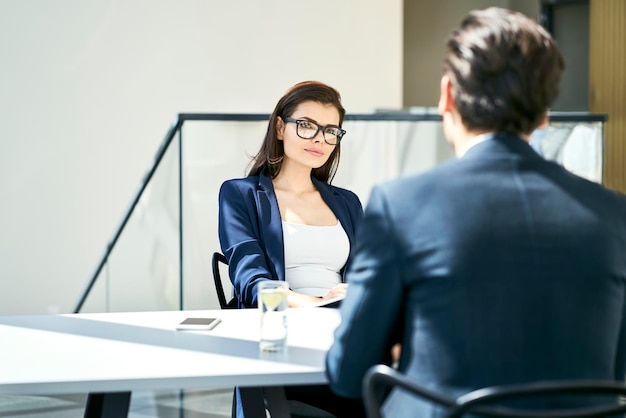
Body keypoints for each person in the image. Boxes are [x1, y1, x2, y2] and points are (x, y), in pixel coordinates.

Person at [326, 7, 626, 418]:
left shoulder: (402, 206)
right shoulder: (614, 214)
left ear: (448, 94)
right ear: (544, 116)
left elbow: (347, 371)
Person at [218, 80, 365, 417]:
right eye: (307, 125)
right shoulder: (240, 195)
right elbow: (250, 282)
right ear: (281, 127)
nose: (319, 139)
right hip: (280, 342)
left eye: (331, 131)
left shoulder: (347, 202)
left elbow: (367, 274)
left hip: (342, 335)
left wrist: (353, 294)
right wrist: (317, 305)